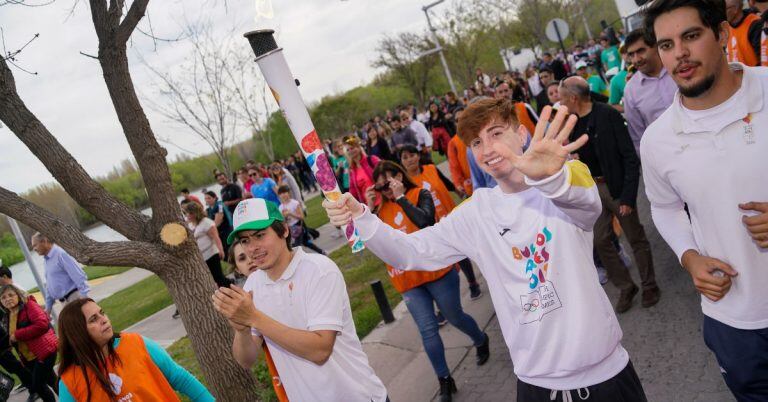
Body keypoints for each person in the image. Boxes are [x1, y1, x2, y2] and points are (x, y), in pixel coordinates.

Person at [324, 100, 647, 401]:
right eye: (476, 143)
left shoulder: (565, 177)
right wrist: (362, 219)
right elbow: (411, 252)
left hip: (607, 374)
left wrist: (549, 179)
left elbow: (586, 206)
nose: (487, 149)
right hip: (537, 382)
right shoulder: (477, 211)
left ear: (521, 133)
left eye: (495, 133)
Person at [642, 0, 768, 398]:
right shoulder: (657, 141)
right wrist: (689, 255)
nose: (678, 53)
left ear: (722, 34)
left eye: (691, 36)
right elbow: (663, 207)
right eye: (666, 44)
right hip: (733, 321)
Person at [212, 198, 388, 402]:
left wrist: (253, 318)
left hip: (357, 396)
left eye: (260, 235)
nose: (252, 248)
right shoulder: (253, 284)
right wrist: (241, 330)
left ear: (284, 230)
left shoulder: (319, 270)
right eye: (245, 240)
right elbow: (246, 360)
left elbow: (320, 350)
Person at [364, 160, 488, 401]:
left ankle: (481, 339)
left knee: (455, 316)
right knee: (427, 330)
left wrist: (401, 198)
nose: (387, 191)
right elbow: (366, 244)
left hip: (437, 271)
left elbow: (425, 221)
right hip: (408, 281)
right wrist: (367, 212)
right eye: (381, 188)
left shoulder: (419, 192)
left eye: (389, 184)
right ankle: (444, 379)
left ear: (399, 176)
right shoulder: (379, 212)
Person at [559, 77, 660, 313]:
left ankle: (649, 285)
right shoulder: (572, 123)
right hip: (591, 191)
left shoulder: (607, 115)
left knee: (635, 237)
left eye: (562, 98)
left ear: (573, 98)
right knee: (600, 240)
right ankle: (626, 286)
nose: (561, 103)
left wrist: (627, 197)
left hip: (615, 189)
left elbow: (629, 157)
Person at [57, 298, 213, 401]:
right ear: (78, 333)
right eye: (93, 319)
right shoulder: (70, 381)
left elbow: (180, 378)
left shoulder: (135, 343)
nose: (103, 319)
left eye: (102, 313)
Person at [622, 28, 678, 154]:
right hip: (666, 155)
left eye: (640, 51)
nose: (636, 59)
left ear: (655, 47)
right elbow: (638, 136)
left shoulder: (679, 69)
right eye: (631, 55)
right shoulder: (631, 91)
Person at [0, 285, 57, 402]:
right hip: (28, 357)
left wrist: (18, 335)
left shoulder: (29, 305)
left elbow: (42, 324)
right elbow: (10, 337)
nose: (7, 299)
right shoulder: (8, 315)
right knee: (52, 380)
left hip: (43, 351)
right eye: (3, 297)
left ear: (18, 295)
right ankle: (72, 398)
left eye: (11, 295)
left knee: (38, 385)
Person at [30, 233, 89, 315]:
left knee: (83, 327)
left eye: (35, 245)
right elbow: (49, 287)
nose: (34, 249)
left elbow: (79, 277)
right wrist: (48, 309)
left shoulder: (61, 254)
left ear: (44, 241)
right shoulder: (47, 261)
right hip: (65, 303)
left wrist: (83, 300)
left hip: (75, 299)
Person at [0, 266, 35, 402]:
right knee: (13, 367)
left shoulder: (16, 290)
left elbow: (3, 316)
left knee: (15, 366)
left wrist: (7, 336)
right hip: (4, 340)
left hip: (2, 341)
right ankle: (32, 384)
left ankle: (35, 387)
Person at [182, 202, 229, 289]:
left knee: (218, 277)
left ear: (194, 213)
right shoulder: (192, 224)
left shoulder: (206, 223)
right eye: (186, 213)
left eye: (188, 213)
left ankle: (229, 290)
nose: (187, 216)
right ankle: (229, 284)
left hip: (211, 254)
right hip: (202, 257)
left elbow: (216, 237)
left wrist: (221, 250)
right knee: (213, 278)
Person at [277, 186, 325, 255]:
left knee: (296, 246)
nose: (283, 195)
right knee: (306, 242)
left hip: (298, 226)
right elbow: (283, 221)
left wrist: (290, 213)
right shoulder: (281, 207)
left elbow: (302, 217)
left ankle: (300, 260)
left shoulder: (294, 203)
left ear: (289, 193)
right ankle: (321, 252)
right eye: (281, 194)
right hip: (290, 228)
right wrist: (285, 217)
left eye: (285, 192)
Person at [345, 136, 380, 204]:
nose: (350, 151)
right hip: (369, 206)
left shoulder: (372, 160)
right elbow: (353, 190)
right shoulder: (352, 170)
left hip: (383, 200)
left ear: (359, 148)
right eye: (348, 150)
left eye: (352, 148)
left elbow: (385, 172)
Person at [725, 0, 760, 65]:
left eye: (725, 9)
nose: (722, 14)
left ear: (735, 9)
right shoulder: (726, 28)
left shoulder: (754, 24)